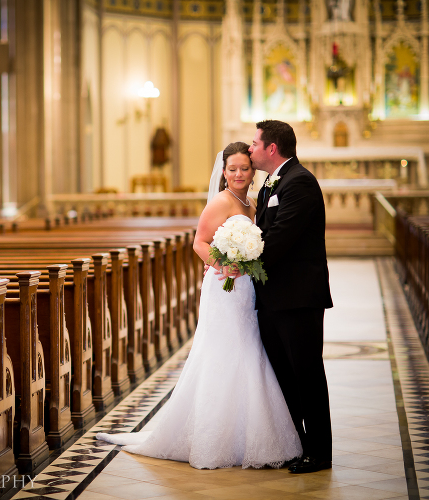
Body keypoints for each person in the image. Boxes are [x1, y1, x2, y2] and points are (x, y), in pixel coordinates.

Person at [96, 142, 302, 469]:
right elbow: (199, 242)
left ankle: (249, 434)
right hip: (224, 288)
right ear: (223, 172)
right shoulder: (220, 202)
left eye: (244, 168)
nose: (238, 174)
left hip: (247, 288)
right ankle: (216, 438)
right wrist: (222, 264)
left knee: (250, 350)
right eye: (232, 169)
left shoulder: (251, 202)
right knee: (224, 352)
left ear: (252, 172)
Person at [247, 120, 334, 473]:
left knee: (307, 374)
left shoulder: (300, 182)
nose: (250, 148)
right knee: (284, 375)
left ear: (272, 148)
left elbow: (280, 237)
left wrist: (240, 260)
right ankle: (296, 445)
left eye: (255, 144)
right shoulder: (272, 183)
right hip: (273, 298)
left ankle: (320, 452)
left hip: (298, 298)